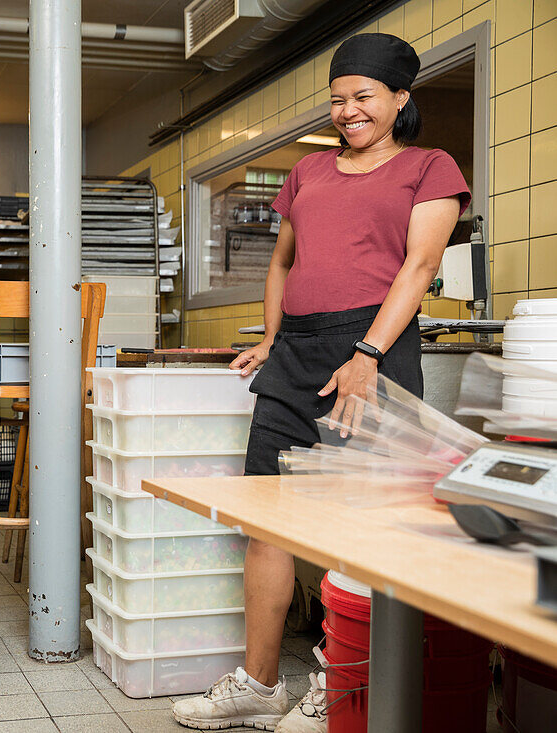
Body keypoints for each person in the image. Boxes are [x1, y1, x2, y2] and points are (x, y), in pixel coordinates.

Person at [173, 33, 469, 732]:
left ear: (400, 98)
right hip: (297, 355)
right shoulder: (307, 171)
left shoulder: (430, 167)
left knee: (364, 529)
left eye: (363, 97)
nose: (348, 110)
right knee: (266, 520)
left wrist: (367, 350)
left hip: (373, 349)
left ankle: (341, 686)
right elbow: (282, 264)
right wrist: (274, 336)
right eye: (338, 99)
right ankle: (260, 682)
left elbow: (419, 267)